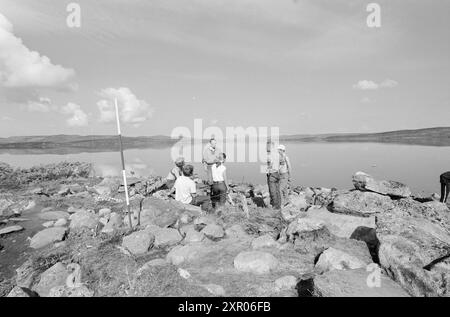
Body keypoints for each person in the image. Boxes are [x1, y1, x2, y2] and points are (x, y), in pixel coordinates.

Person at [266, 141, 281, 210]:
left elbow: (270, 164)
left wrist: (268, 171)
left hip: (272, 173)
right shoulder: (278, 154)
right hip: (277, 173)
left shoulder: (270, 155)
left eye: (267, 146)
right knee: (277, 190)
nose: (266, 147)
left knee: (272, 191)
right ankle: (278, 205)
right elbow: (281, 163)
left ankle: (275, 206)